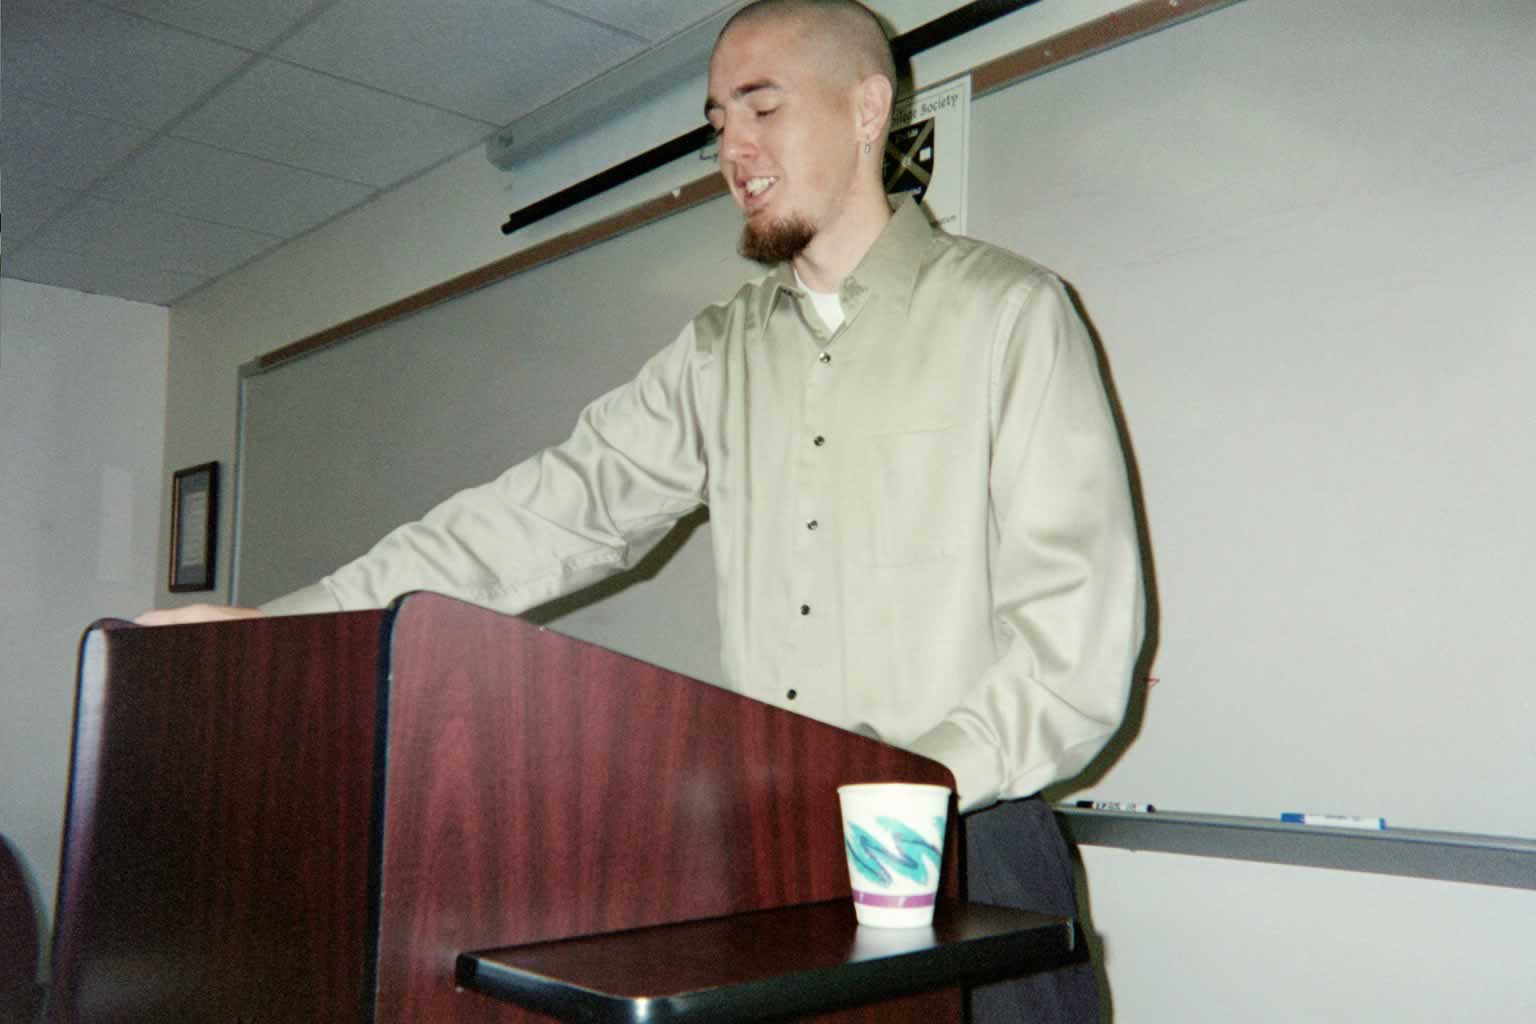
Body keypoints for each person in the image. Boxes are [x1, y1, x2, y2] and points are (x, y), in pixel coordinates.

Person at [141, 1, 1144, 1018]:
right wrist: (292, 628)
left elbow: (1074, 651)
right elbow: (544, 513)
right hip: (781, 865)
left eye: (761, 107)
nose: (733, 149)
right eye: (717, 123)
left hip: (976, 855)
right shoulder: (720, 351)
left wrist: (908, 792)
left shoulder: (1010, 313)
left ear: (867, 109)